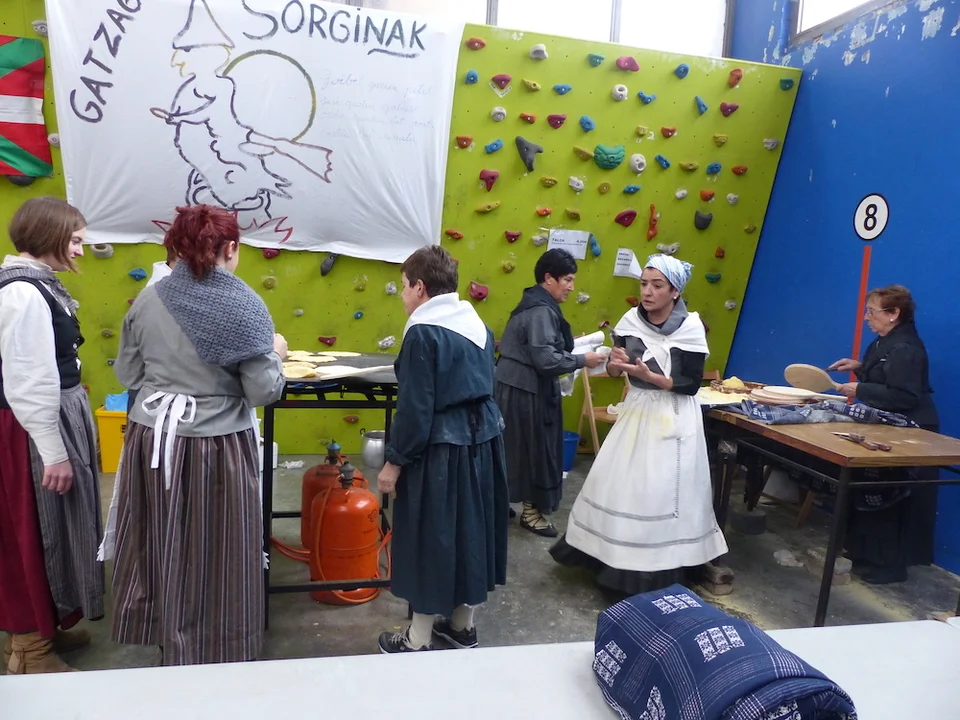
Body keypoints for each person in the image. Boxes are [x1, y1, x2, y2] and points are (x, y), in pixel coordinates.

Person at [109, 204, 287, 665]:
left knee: (160, 539)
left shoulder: (149, 298)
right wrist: (274, 353)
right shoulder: (243, 304)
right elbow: (262, 391)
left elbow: (129, 374)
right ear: (231, 248)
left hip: (153, 439)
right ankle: (216, 649)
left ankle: (166, 637)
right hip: (215, 445)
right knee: (216, 550)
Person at [550, 254, 728, 594]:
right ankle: (609, 557)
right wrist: (615, 365)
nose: (647, 292)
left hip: (673, 413)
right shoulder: (630, 320)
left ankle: (661, 565)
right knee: (623, 482)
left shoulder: (690, 327)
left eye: (657, 286)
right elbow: (614, 369)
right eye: (644, 284)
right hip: (638, 411)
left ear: (675, 291)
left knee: (662, 488)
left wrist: (654, 377)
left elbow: (690, 384)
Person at [376, 245, 508, 653]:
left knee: (430, 536)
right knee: (470, 533)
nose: (402, 295)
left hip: (442, 451)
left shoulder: (423, 331)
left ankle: (418, 639)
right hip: (483, 445)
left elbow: (416, 410)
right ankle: (463, 626)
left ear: (420, 287)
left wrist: (394, 462)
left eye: (404, 286)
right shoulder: (477, 325)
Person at [0, 197, 104, 674]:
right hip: (30, 431)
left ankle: (46, 625)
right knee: (32, 534)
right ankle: (28, 650)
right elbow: (29, 379)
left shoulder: (35, 285)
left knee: (54, 529)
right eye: (75, 240)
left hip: (45, 421)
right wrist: (53, 452)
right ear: (50, 236)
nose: (80, 250)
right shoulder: (22, 293)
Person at [830, 284, 938, 584]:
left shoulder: (906, 348)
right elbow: (885, 375)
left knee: (892, 500)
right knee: (870, 493)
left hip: (912, 432)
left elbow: (904, 395)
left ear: (893, 314)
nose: (866, 317)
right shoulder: (886, 341)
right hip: (890, 427)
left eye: (871, 312)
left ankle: (886, 566)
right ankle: (864, 554)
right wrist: (859, 367)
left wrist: (860, 388)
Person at [495, 249, 603, 537]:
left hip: (510, 386)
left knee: (510, 450)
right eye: (567, 280)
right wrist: (583, 359)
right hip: (526, 392)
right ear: (548, 278)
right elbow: (545, 360)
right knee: (536, 451)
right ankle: (531, 514)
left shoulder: (532, 303)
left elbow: (537, 346)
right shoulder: (542, 310)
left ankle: (496, 502)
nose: (571, 287)